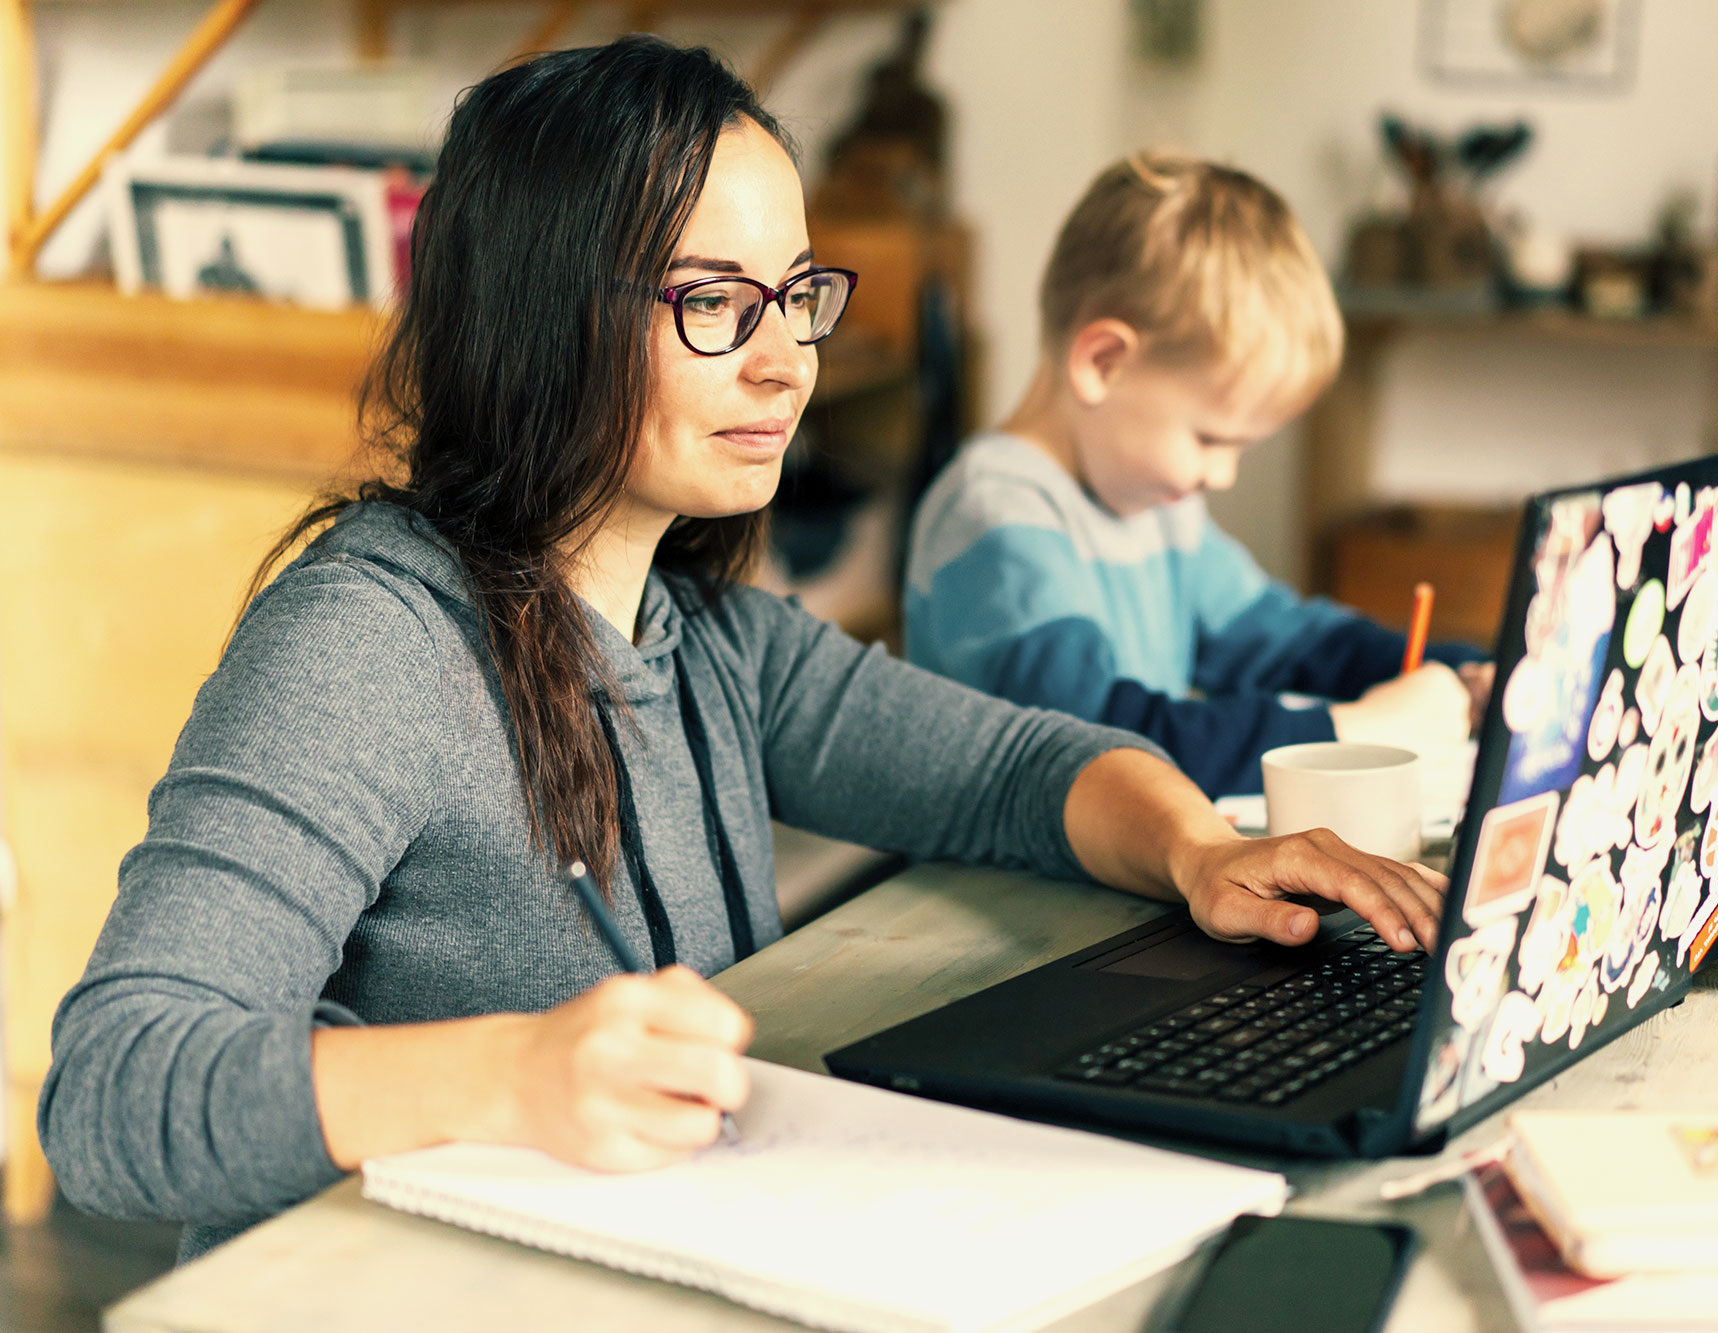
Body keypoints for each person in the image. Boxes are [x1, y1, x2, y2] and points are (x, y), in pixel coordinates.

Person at [39, 41, 1447, 1263]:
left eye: (794, 296)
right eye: (715, 302)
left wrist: (1196, 850)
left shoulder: (708, 638)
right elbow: (110, 1094)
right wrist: (511, 1071)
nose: (786, 362)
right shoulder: (365, 644)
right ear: (547, 316)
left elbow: (1014, 768)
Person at [903, 154, 1493, 799]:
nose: (1223, 474)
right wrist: (1347, 729)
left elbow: (1283, 641)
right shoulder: (996, 517)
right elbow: (1102, 744)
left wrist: (1459, 673)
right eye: (1210, 438)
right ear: (1103, 363)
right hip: (992, 890)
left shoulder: (1155, 504)